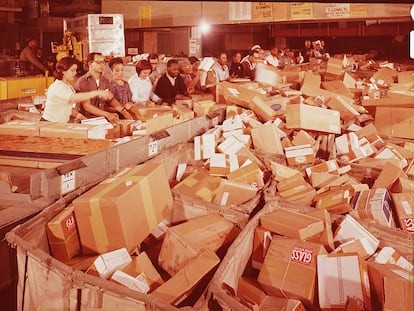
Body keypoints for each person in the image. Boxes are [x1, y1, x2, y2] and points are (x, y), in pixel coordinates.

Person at [42, 56, 112, 123]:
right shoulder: (58, 86)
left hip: (61, 124)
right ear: (63, 71)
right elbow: (74, 98)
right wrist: (98, 92)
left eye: (75, 70)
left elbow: (67, 107)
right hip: (49, 124)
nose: (75, 73)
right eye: (72, 70)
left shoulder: (68, 86)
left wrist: (79, 116)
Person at [74, 52, 133, 122]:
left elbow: (111, 100)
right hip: (86, 120)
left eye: (103, 62)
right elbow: (87, 106)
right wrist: (107, 114)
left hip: (102, 119)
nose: (102, 65)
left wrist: (124, 112)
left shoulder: (105, 81)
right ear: (90, 64)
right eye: (99, 62)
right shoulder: (82, 82)